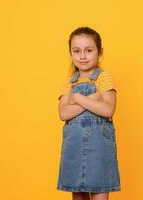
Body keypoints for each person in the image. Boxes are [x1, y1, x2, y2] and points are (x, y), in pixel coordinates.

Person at [56, 26, 121, 200]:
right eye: (76, 51)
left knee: (100, 190)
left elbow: (108, 109)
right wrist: (88, 99)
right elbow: (63, 113)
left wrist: (76, 99)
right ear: (70, 53)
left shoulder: (103, 78)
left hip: (99, 148)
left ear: (100, 52)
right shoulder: (69, 83)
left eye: (89, 50)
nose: (82, 56)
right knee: (78, 193)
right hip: (74, 147)